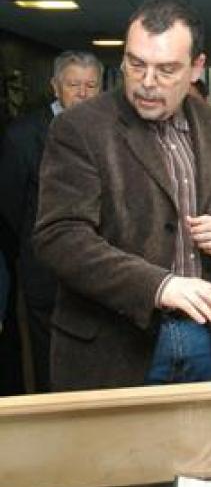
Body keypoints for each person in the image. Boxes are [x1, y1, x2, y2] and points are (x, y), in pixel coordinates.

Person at [32, 0, 211, 390]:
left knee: (200, 450)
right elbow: (59, 237)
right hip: (113, 345)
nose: (147, 81)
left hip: (204, 336)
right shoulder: (80, 128)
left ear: (197, 68)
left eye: (166, 70)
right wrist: (159, 286)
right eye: (135, 64)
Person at [0, 50, 103, 392]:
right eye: (74, 84)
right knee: (51, 366)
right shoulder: (22, 136)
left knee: (99, 362)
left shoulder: (110, 133)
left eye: (91, 85)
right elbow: (11, 209)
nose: (84, 93)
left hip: (99, 275)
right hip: (46, 275)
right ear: (55, 87)